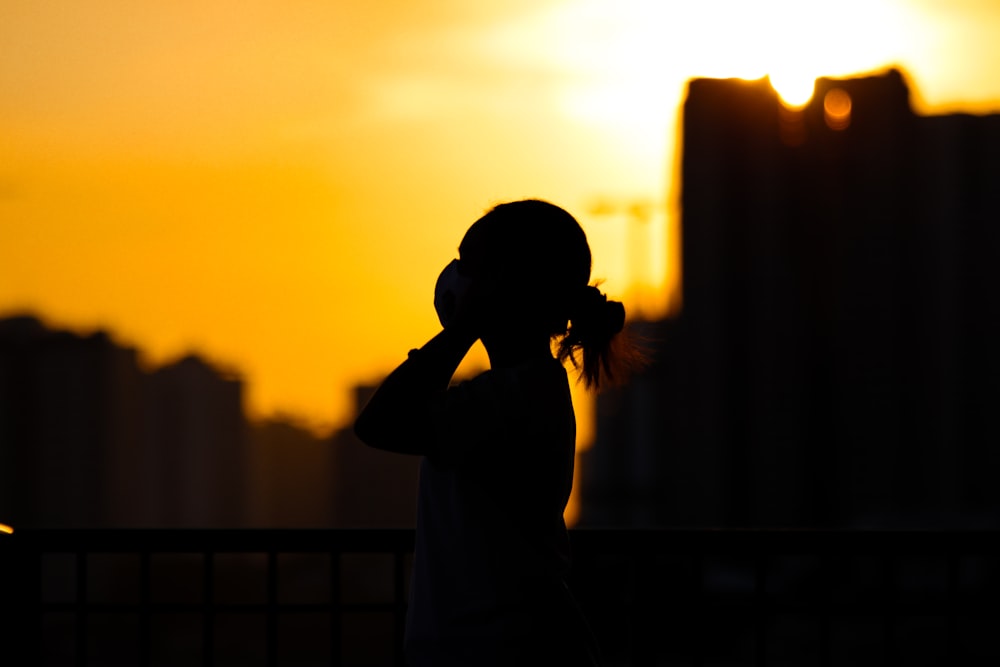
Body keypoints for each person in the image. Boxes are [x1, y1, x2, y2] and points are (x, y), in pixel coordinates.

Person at [354, 199, 638, 666]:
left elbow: (381, 423)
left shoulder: (514, 397)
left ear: (504, 282)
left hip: (499, 656)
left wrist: (462, 328)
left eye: (469, 264)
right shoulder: (517, 389)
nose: (454, 275)